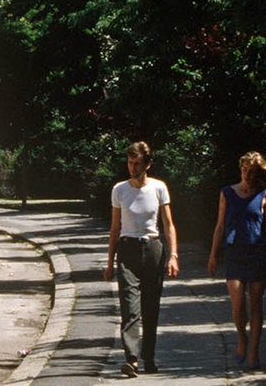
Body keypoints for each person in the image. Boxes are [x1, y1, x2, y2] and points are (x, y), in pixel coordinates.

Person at [104, 141, 179, 377]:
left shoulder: (158, 188)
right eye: (129, 162)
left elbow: (168, 225)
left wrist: (173, 255)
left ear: (147, 164)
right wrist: (109, 263)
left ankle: (149, 357)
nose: (132, 168)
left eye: (137, 163)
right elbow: (115, 228)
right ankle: (132, 359)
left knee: (151, 306)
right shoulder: (120, 190)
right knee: (129, 306)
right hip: (127, 250)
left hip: (153, 249)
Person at [207, 151, 266, 369]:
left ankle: (254, 353)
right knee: (238, 303)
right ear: (240, 169)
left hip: (257, 252)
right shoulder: (227, 193)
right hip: (234, 252)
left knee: (255, 303)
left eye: (252, 171)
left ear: (258, 173)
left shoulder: (265, 194)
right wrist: (213, 255)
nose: (248, 174)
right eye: (245, 170)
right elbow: (220, 226)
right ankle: (242, 339)